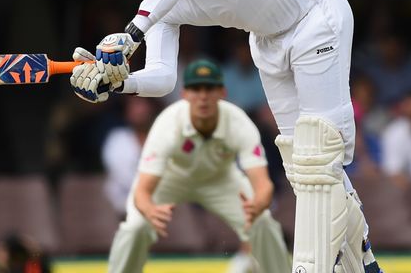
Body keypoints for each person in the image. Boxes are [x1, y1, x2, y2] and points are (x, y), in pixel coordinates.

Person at [69, 0, 382, 273]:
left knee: (319, 155)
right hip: (266, 41)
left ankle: (314, 267)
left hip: (314, 15)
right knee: (302, 166)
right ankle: (366, 263)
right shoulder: (156, 0)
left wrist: (131, 34)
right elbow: (164, 77)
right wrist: (116, 85)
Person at [105, 59, 290, 273]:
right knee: (135, 227)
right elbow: (142, 192)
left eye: (209, 88)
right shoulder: (168, 124)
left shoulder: (239, 123)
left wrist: (259, 203)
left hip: (221, 178)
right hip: (171, 178)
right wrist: (149, 210)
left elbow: (263, 184)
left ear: (222, 92)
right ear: (184, 94)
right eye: (196, 89)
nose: (203, 96)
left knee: (263, 223)